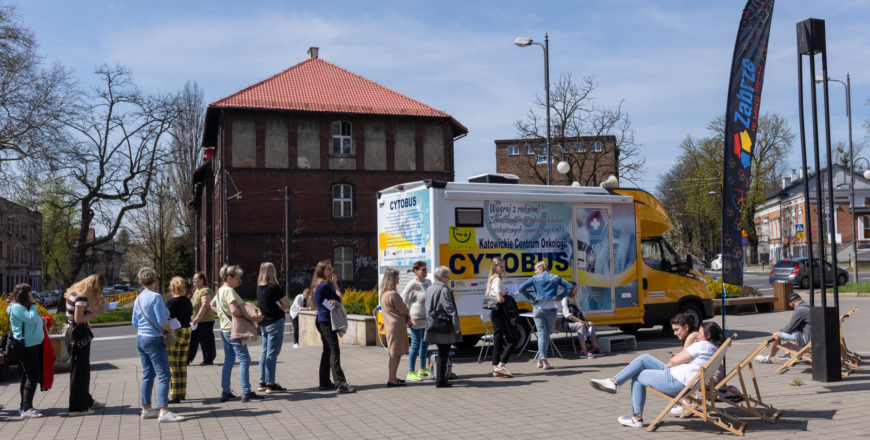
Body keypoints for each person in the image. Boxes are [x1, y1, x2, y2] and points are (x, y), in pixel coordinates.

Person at [589, 321, 726, 428]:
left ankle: (635, 417)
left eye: (700, 333)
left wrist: (671, 364)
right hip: (685, 382)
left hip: (676, 382)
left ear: (708, 336)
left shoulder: (702, 345)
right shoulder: (714, 349)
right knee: (644, 358)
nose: (697, 336)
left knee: (638, 375)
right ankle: (614, 382)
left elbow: (674, 360)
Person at [133, 268, 184, 422]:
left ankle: (146, 409)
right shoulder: (156, 297)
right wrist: (171, 329)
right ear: (155, 280)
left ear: (141, 283)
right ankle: (164, 411)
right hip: (154, 339)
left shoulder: (138, 299)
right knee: (165, 375)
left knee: (148, 374)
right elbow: (163, 321)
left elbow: (134, 322)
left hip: (140, 338)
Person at [212, 265, 265, 403]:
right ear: (229, 278)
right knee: (244, 360)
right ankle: (246, 392)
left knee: (229, 360)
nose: (239, 281)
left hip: (225, 329)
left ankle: (226, 391)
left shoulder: (219, 291)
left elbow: (212, 305)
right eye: (237, 278)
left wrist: (223, 314)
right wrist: (248, 315)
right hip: (234, 330)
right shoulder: (229, 291)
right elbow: (235, 311)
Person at [64, 274, 109, 416]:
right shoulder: (82, 297)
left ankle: (86, 401)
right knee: (80, 372)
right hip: (79, 334)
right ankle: (78, 407)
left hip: (73, 333)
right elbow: (78, 319)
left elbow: (77, 315)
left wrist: (90, 313)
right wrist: (97, 312)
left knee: (80, 370)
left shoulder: (75, 293)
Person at [517, 261, 574, 370]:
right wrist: (561, 296)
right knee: (546, 335)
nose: (535, 271)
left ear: (541, 268)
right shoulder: (555, 278)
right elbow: (570, 287)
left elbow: (521, 288)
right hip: (551, 310)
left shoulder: (534, 278)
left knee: (543, 336)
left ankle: (540, 360)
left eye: (536, 269)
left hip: (537, 309)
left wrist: (530, 297)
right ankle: (545, 361)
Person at [311, 260, 355, 393]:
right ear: (321, 271)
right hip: (326, 322)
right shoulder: (324, 285)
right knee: (334, 352)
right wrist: (335, 283)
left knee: (327, 352)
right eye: (328, 269)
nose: (332, 271)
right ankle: (340, 383)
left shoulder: (316, 285)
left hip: (321, 321)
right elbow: (340, 299)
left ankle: (324, 382)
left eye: (332, 268)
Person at [8, 284, 46, 418]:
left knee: (27, 376)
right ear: (24, 295)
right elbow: (30, 320)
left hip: (33, 344)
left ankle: (24, 405)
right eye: (29, 293)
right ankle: (26, 408)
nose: (32, 295)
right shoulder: (17, 307)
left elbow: (34, 320)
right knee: (33, 376)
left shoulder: (24, 307)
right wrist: (34, 304)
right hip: (27, 345)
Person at [424, 266, 462, 388]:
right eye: (447, 276)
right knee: (443, 353)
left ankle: (441, 379)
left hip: (433, 324)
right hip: (444, 326)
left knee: (442, 352)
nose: (449, 279)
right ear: (441, 277)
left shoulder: (429, 288)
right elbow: (450, 310)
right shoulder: (444, 289)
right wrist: (456, 326)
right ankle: (440, 381)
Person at [256, 262, 289, 394]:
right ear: (272, 272)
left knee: (264, 352)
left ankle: (262, 382)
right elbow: (286, 303)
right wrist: (281, 307)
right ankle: (271, 384)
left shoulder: (259, 287)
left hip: (264, 323)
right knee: (272, 354)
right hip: (275, 322)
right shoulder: (274, 287)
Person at [485, 257, 519, 378]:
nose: (503, 269)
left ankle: (496, 369)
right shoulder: (497, 280)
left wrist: (506, 296)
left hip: (494, 312)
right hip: (500, 312)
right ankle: (501, 366)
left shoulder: (491, 279)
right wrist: (509, 298)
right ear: (495, 267)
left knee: (498, 341)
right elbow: (499, 299)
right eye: (501, 266)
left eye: (504, 266)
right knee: (513, 339)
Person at [756, 292, 810, 365]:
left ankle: (769, 358)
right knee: (786, 333)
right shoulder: (810, 307)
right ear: (801, 299)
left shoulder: (800, 310)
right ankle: (786, 356)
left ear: (790, 304)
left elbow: (789, 328)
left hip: (807, 339)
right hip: (815, 337)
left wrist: (780, 331)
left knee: (777, 335)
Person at [400, 261, 431, 381]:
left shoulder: (428, 283)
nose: (425, 271)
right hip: (416, 320)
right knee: (415, 345)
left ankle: (422, 369)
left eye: (426, 269)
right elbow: (402, 301)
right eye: (423, 270)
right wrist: (406, 316)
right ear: (416, 271)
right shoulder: (411, 284)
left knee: (425, 344)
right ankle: (410, 372)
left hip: (427, 320)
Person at [556, 281, 605, 358]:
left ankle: (595, 348)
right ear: (569, 289)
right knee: (580, 325)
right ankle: (584, 351)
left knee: (590, 324)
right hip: (562, 323)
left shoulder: (574, 297)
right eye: (575, 288)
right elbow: (566, 315)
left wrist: (585, 321)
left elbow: (580, 311)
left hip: (571, 322)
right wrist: (581, 322)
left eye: (577, 288)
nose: (577, 290)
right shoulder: (564, 298)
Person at [380, 268, 410, 387]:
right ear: (392, 278)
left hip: (391, 327)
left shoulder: (383, 293)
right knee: (394, 354)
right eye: (397, 276)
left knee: (395, 353)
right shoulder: (393, 294)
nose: (399, 278)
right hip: (396, 327)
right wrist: (407, 311)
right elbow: (404, 309)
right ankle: (392, 379)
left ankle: (393, 377)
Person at [165, 277, 193, 404]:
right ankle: (182, 392)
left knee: (173, 365)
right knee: (182, 364)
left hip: (175, 333)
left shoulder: (171, 302)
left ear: (171, 288)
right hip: (187, 331)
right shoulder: (187, 300)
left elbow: (165, 317)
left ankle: (174, 395)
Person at [188, 271, 216, 366]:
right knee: (192, 340)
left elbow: (205, 305)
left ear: (202, 280)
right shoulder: (195, 290)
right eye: (193, 278)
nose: (194, 280)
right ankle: (188, 359)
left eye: (196, 278)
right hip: (194, 321)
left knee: (206, 340)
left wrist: (198, 317)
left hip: (204, 320)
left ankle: (208, 359)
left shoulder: (205, 290)